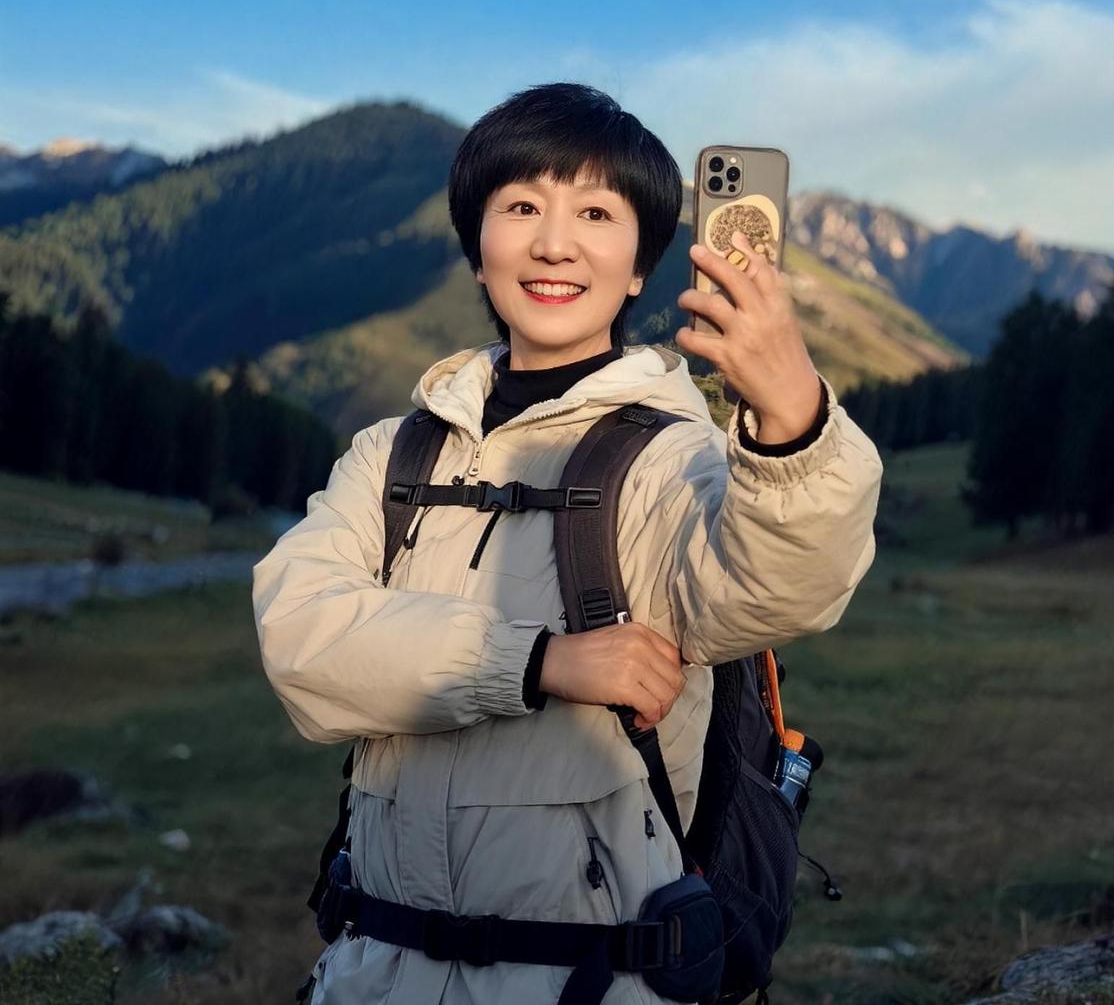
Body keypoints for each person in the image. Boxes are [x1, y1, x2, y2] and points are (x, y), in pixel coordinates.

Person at [251, 82, 884, 1004]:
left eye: (596, 211)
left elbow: (775, 592)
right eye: (520, 207)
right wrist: (540, 661)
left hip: (596, 982)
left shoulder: (676, 459)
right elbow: (299, 639)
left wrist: (790, 422)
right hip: (371, 974)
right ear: (478, 251)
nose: (554, 242)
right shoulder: (389, 453)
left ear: (639, 267)